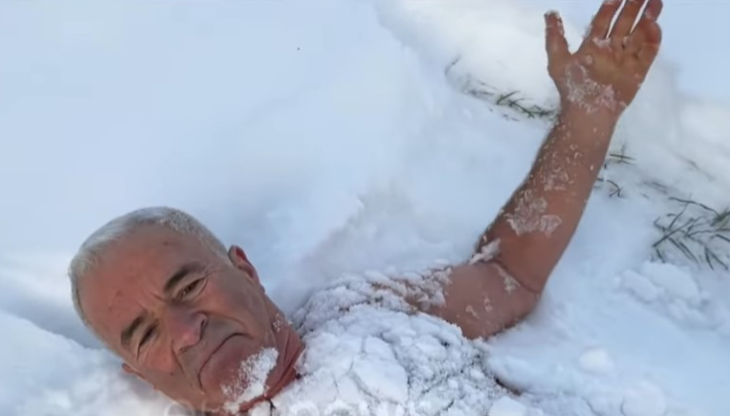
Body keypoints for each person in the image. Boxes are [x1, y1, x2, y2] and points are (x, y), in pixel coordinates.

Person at [67, 0, 663, 414]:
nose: (185, 330)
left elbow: (510, 274)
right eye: (144, 335)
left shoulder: (363, 312)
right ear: (140, 375)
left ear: (243, 269)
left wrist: (588, 116)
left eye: (188, 286)